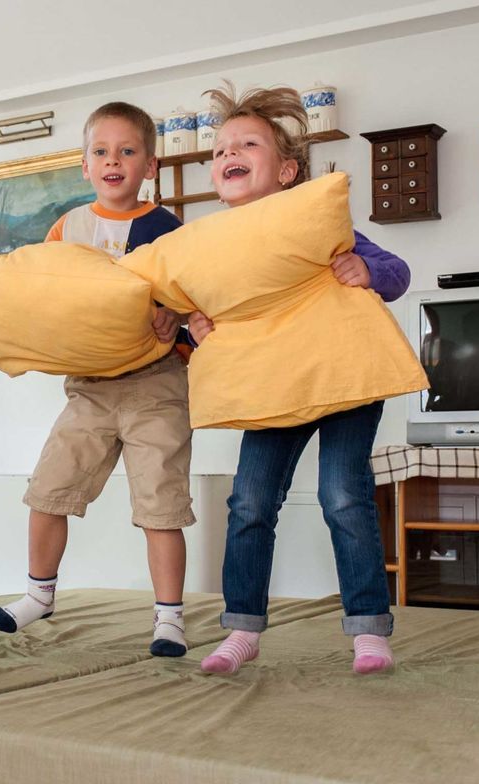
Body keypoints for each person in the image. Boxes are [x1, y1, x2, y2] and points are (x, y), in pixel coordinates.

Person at [188, 83, 411, 675]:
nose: (228, 154)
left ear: (287, 171)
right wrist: (200, 328)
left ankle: (369, 629)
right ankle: (242, 628)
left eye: (247, 144)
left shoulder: (317, 219)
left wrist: (365, 269)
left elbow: (397, 270)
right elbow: (207, 310)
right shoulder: (217, 247)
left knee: (343, 495)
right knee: (250, 501)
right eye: (220, 149)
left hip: (344, 378)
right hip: (276, 387)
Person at [0, 102, 195, 657]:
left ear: (150, 165)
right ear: (84, 165)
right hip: (89, 387)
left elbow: (189, 294)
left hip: (156, 385)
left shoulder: (168, 229)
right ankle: (38, 595)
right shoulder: (68, 227)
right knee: (48, 490)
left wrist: (173, 315)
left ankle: (169, 618)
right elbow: (46, 291)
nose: (113, 161)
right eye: (101, 152)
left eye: (127, 151)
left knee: (160, 503)